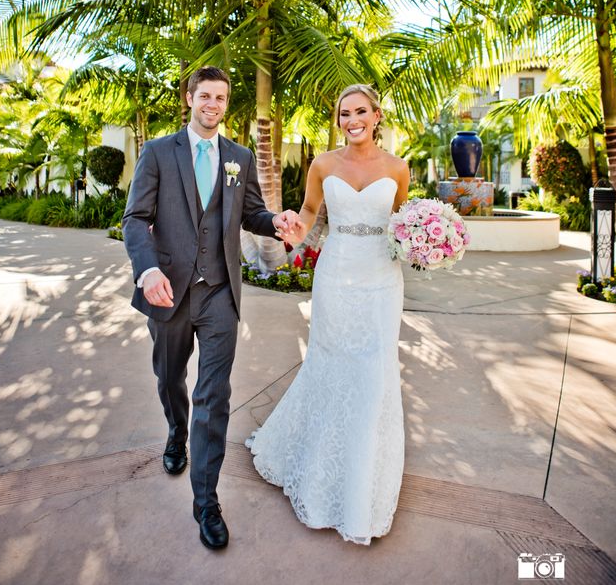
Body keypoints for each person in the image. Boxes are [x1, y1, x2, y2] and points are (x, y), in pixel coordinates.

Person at [122, 66, 298, 551]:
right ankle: (176, 432)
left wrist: (276, 222)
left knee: (213, 395)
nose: (213, 104)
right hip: (169, 291)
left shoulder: (239, 156)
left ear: (226, 103)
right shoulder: (158, 152)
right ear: (189, 98)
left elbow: (252, 213)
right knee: (169, 378)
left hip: (221, 292)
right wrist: (147, 268)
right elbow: (135, 217)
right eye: (205, 96)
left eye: (221, 97)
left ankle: (206, 503)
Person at [246, 83, 410, 545]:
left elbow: (404, 224)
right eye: (344, 113)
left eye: (361, 111)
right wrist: (288, 231)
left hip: (382, 281)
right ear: (338, 119)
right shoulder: (322, 164)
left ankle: (363, 486)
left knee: (374, 374)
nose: (352, 119)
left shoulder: (398, 168)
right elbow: (309, 214)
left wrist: (427, 244)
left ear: (377, 115)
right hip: (336, 276)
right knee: (331, 365)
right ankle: (318, 467)